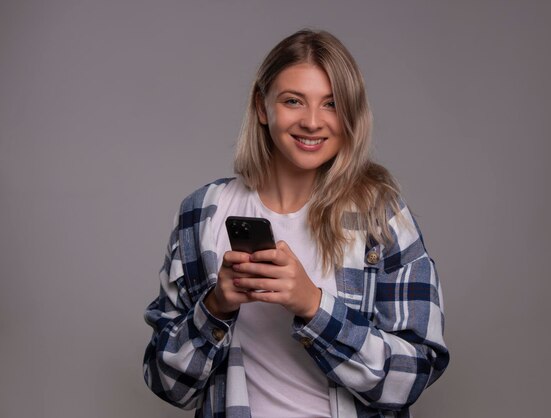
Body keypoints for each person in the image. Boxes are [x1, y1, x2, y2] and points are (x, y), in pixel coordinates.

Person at [143, 29, 449, 418]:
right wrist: (216, 307)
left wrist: (313, 306)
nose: (311, 122)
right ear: (261, 106)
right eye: (293, 101)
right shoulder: (203, 212)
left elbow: (414, 374)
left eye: (332, 104)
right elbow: (167, 384)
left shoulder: (380, 215)